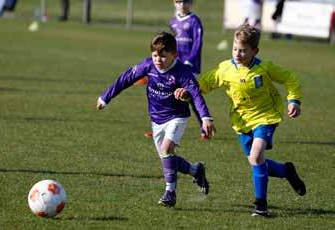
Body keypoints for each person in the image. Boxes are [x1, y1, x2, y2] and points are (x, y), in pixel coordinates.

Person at [195, 24, 306, 216]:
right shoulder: (225, 69)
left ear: (255, 51)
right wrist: (187, 92)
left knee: (256, 157)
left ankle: (261, 205)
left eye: (243, 50)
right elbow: (205, 83)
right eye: (235, 49)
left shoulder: (264, 68)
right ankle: (286, 171)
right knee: (257, 161)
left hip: (266, 117)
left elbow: (290, 78)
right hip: (241, 122)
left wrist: (293, 100)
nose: (238, 54)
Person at [96, 31, 216, 207]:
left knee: (167, 148)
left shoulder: (182, 72)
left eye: (163, 56)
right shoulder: (148, 66)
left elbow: (196, 94)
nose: (158, 60)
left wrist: (205, 117)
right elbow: (126, 78)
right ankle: (195, 170)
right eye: (154, 55)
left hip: (177, 117)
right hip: (156, 118)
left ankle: (170, 192)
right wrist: (105, 97)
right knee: (167, 157)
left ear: (174, 55)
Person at [170, 0, 206, 140]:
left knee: (192, 96)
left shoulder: (194, 21)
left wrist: (190, 59)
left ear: (191, 3)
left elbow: (198, 43)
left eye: (185, 1)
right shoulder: (173, 21)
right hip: (175, 64)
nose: (182, 4)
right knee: (168, 94)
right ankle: (162, 127)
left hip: (189, 65)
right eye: (179, 1)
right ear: (174, 3)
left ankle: (205, 127)